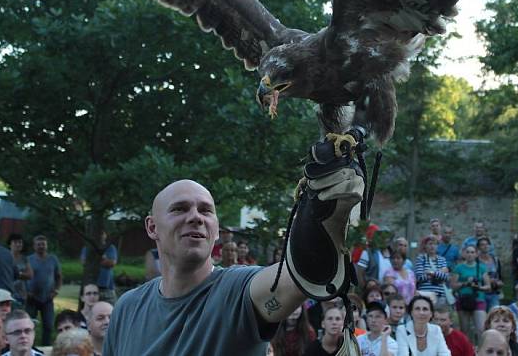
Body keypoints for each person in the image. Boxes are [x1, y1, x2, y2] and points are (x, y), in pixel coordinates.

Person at [104, 132, 366, 355]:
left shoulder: (238, 291)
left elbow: (300, 276)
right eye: (179, 209)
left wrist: (325, 213)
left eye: (205, 211)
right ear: (152, 227)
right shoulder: (127, 309)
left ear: (216, 230)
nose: (195, 217)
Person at [26, 235, 61, 346]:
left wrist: (56, 291)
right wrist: (26, 292)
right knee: (29, 325)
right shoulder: (29, 259)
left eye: (43, 244)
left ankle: (46, 348)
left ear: (46, 246)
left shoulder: (53, 259)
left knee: (48, 326)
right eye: (38, 244)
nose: (41, 246)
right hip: (32, 298)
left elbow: (58, 276)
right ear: (34, 246)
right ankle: (30, 347)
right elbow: (21, 278)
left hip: (47, 298)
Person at [452, 245, 490, 339]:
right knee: (464, 329)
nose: (470, 254)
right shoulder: (459, 268)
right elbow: (453, 285)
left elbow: (488, 286)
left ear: (476, 254)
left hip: (478, 298)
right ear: (464, 254)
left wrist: (478, 287)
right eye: (468, 252)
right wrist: (465, 283)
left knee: (481, 328)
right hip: (463, 299)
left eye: (472, 252)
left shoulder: (481, 267)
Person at [80, 231, 118, 303]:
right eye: (98, 233)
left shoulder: (110, 248)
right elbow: (84, 263)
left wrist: (94, 260)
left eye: (102, 233)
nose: (100, 236)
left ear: (105, 235)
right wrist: (102, 259)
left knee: (111, 310)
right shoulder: (87, 248)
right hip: (90, 288)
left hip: (108, 288)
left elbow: (111, 263)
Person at [415, 236, 450, 305]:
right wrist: (439, 272)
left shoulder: (442, 259)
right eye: (430, 244)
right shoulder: (421, 259)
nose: (432, 246)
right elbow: (419, 277)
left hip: (440, 295)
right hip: (425, 295)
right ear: (425, 246)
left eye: (435, 244)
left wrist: (431, 273)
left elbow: (446, 277)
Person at [477, 237, 504, 311]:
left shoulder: (495, 259)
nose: (485, 246)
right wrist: (488, 281)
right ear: (478, 247)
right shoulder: (476, 261)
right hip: (481, 294)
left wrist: (499, 282)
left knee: (494, 315)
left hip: (494, 293)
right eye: (482, 245)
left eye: (487, 244)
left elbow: (500, 276)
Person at [7, 234, 32, 308]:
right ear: (10, 244)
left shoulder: (24, 259)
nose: (18, 244)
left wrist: (17, 274)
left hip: (21, 295)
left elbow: (30, 275)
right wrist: (22, 274)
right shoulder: (5, 257)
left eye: (20, 242)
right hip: (8, 294)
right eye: (15, 242)